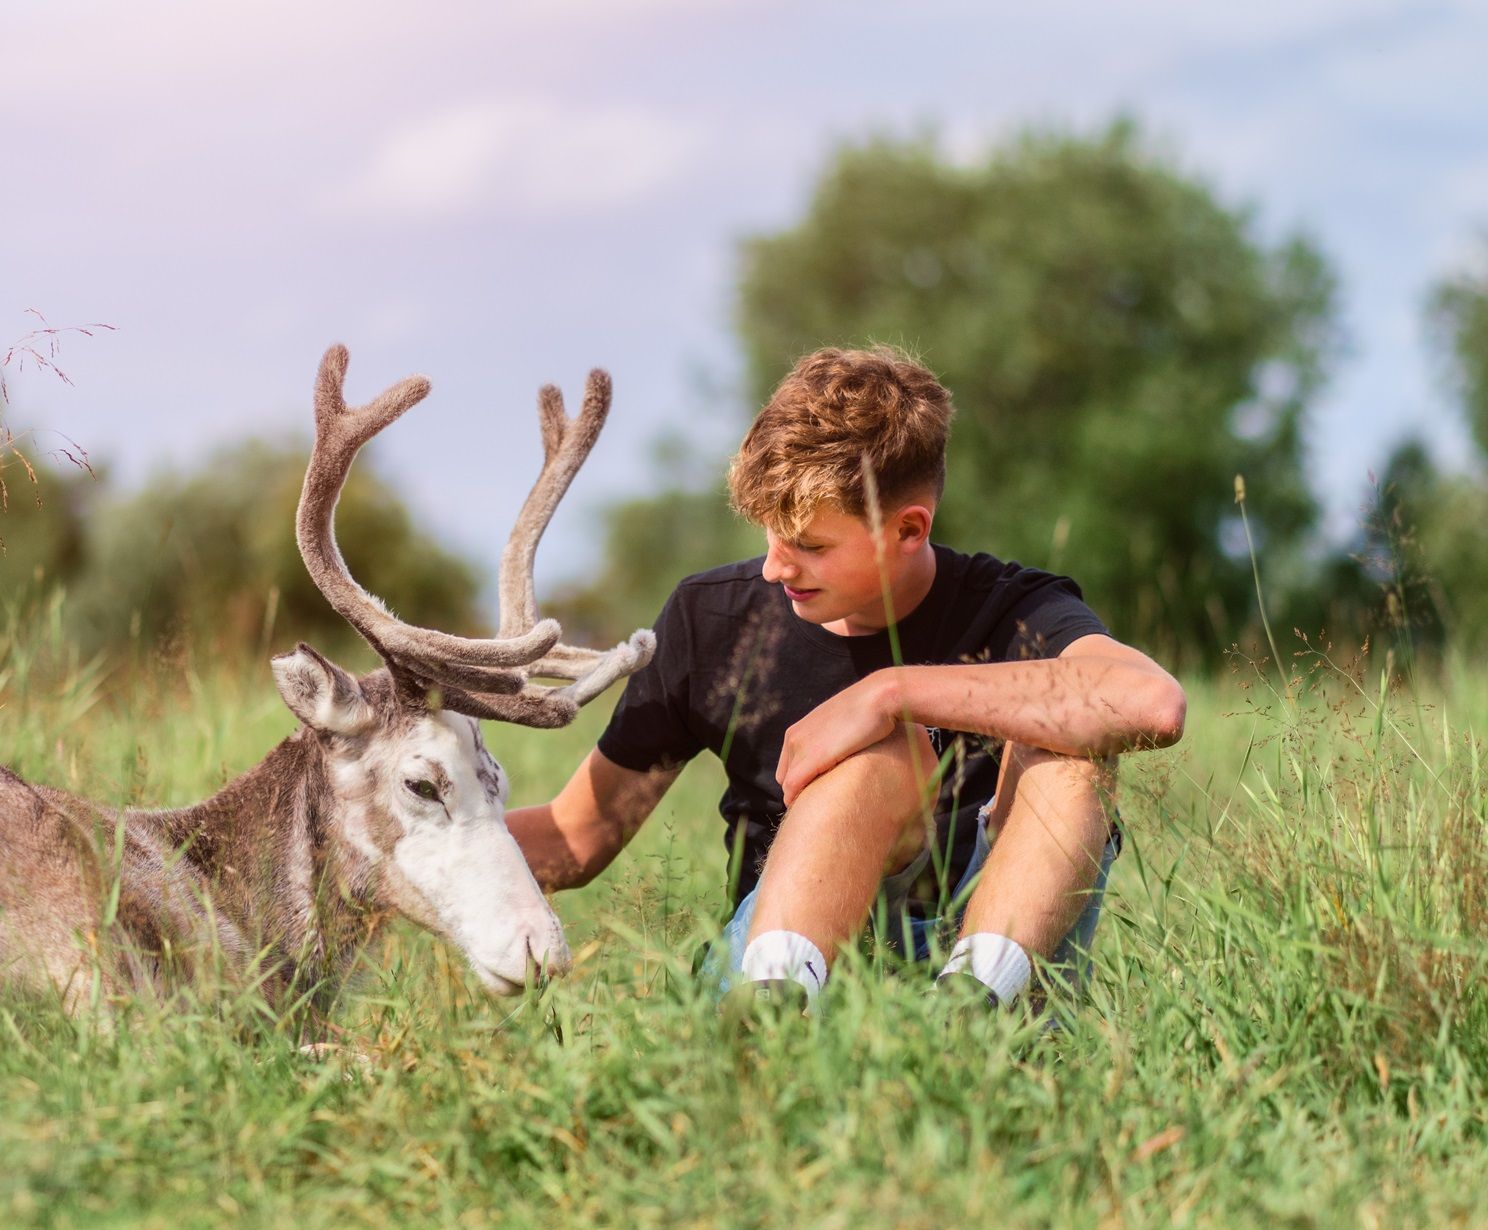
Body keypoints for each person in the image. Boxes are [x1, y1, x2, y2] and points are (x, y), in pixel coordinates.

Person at [506, 346, 1186, 1011]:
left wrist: (889, 692)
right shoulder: (710, 617)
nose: (776, 568)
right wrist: (408, 855)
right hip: (794, 952)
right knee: (876, 763)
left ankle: (971, 1014)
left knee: (1071, 746)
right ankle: (772, 1012)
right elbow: (578, 837)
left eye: (810, 546)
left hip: (989, 955)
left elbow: (1151, 705)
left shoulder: (1014, 607)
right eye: (768, 535)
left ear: (909, 530)